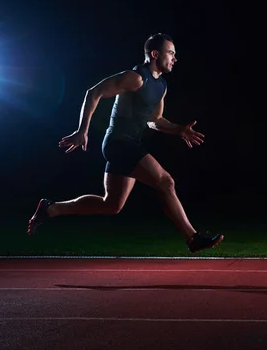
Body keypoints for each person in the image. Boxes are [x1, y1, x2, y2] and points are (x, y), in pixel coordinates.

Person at [27, 33, 224, 253]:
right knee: (166, 182)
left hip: (130, 144)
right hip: (119, 143)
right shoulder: (136, 77)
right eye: (171, 53)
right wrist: (83, 130)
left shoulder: (161, 86)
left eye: (175, 54)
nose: (174, 58)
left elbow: (154, 121)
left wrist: (179, 130)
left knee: (111, 205)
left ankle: (51, 209)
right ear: (155, 54)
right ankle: (192, 237)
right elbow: (94, 92)